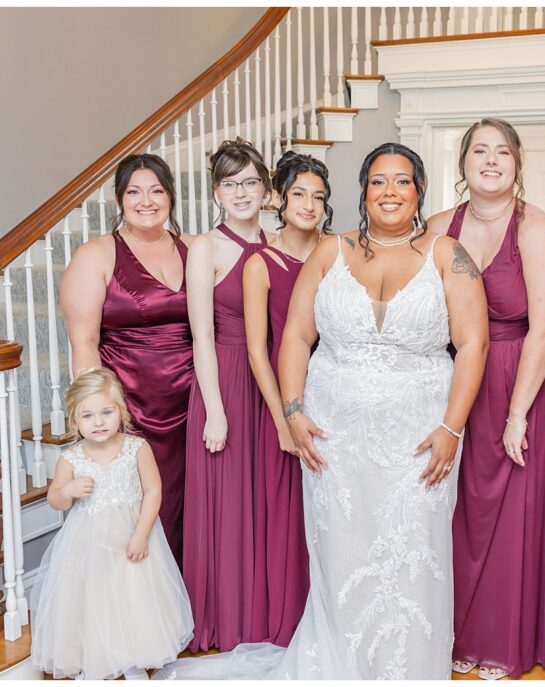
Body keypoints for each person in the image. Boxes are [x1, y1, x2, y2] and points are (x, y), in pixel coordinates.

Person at [155, 142, 488, 680]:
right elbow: (295, 336)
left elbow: (474, 346)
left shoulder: (448, 254)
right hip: (337, 435)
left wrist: (453, 427)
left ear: (420, 190)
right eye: (378, 181)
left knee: (415, 546)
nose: (390, 192)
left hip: (419, 437)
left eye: (402, 181)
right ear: (363, 191)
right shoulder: (330, 252)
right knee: (343, 549)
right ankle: (341, 662)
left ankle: (409, 668)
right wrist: (291, 410)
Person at [427, 118, 545, 680]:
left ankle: (503, 638)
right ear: (462, 163)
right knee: (451, 509)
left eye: (501, 151)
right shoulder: (438, 227)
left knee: (512, 511)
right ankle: (448, 629)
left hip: (520, 377)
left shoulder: (536, 228)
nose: (490, 160)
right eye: (479, 151)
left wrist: (517, 413)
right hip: (455, 376)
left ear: (517, 163)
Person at [60, 153, 194, 564]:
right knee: (129, 506)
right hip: (129, 407)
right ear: (120, 199)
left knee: (188, 502)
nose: (146, 200)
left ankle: (191, 601)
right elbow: (84, 342)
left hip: (193, 401)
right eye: (134, 191)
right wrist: (98, 416)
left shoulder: (193, 247)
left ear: (170, 195)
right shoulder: (96, 255)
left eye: (156, 190)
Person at [30, 368, 193, 680]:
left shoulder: (136, 448)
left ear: (122, 412)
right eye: (88, 415)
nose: (99, 422)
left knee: (132, 596)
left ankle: (132, 658)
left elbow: (154, 491)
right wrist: (68, 491)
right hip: (87, 542)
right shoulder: (71, 458)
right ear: (74, 421)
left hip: (131, 536)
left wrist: (141, 534)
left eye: (107, 412)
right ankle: (95, 659)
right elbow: (55, 499)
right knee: (93, 598)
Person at [181, 138, 274, 651]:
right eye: (230, 184)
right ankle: (228, 620)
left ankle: (268, 616)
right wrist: (215, 411)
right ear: (217, 192)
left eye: (250, 182)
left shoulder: (279, 241)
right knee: (230, 503)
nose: (241, 192)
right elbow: (202, 334)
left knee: (270, 501)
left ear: (266, 188)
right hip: (228, 383)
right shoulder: (205, 248)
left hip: (274, 383)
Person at [242, 150, 333, 645]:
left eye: (318, 197)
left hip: (335, 393)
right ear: (278, 198)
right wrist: (281, 416)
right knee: (288, 510)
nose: (309, 204)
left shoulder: (337, 251)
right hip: (284, 396)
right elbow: (258, 349)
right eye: (299, 193)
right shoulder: (261, 263)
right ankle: (290, 620)